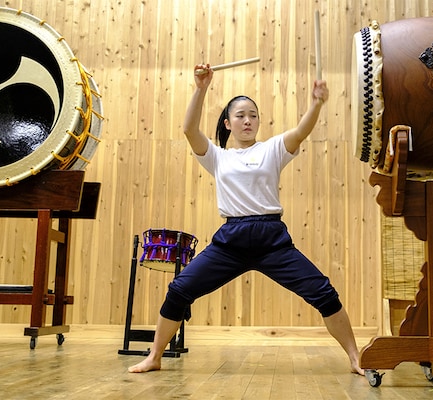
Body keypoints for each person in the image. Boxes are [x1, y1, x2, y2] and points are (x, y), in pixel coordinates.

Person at [128, 63, 363, 375]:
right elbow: (188, 129)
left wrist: (316, 103)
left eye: (253, 115)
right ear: (228, 123)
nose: (248, 120)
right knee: (180, 290)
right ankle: (154, 356)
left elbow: (302, 131)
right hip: (230, 241)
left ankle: (355, 358)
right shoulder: (217, 157)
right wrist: (201, 88)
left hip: (272, 240)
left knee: (323, 293)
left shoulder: (273, 149)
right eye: (240, 115)